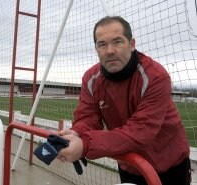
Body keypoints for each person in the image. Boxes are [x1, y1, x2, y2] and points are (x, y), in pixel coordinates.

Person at [57, 16, 191, 185]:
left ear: (132, 44)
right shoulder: (90, 78)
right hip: (130, 163)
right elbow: (87, 117)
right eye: (102, 44)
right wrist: (76, 133)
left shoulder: (155, 76)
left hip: (170, 165)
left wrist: (85, 144)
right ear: (96, 49)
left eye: (117, 41)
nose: (110, 50)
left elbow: (140, 131)